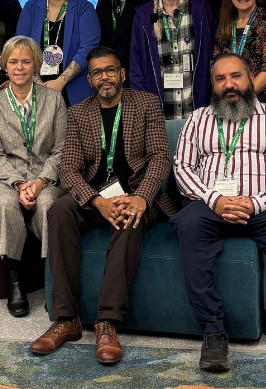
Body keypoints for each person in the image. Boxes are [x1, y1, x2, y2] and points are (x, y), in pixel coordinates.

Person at [33, 46, 177, 365]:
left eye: (110, 70)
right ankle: (66, 319)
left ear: (122, 73)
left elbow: (159, 157)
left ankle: (107, 322)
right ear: (89, 79)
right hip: (96, 197)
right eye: (97, 72)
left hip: (138, 194)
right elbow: (68, 169)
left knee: (129, 217)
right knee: (58, 210)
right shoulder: (77, 112)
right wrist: (97, 201)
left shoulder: (146, 104)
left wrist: (141, 197)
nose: (105, 77)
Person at [170, 54, 266, 371]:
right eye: (220, 79)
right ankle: (213, 330)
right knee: (187, 227)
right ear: (213, 85)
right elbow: (183, 168)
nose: (229, 84)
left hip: (261, 204)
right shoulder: (198, 119)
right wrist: (214, 199)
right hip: (209, 204)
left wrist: (256, 202)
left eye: (235, 76)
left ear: (249, 79)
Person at [0, 36, 67, 317]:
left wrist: (41, 181)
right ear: (5, 65)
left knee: (48, 206)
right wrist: (19, 184)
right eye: (14, 62)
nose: (19, 67)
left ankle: (51, 281)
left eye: (26, 61)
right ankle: (15, 282)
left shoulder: (54, 99)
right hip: (7, 177)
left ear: (36, 66)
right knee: (4, 205)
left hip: (47, 175)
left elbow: (62, 148)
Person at [129, 0, 217, 120]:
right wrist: (144, 107)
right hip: (158, 113)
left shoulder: (201, 11)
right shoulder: (144, 16)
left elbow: (215, 55)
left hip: (197, 109)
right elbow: (136, 67)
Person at [17, 0, 101, 104]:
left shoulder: (85, 8)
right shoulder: (31, 7)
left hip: (74, 90)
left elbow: (88, 48)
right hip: (35, 87)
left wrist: (60, 82)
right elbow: (22, 46)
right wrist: (36, 81)